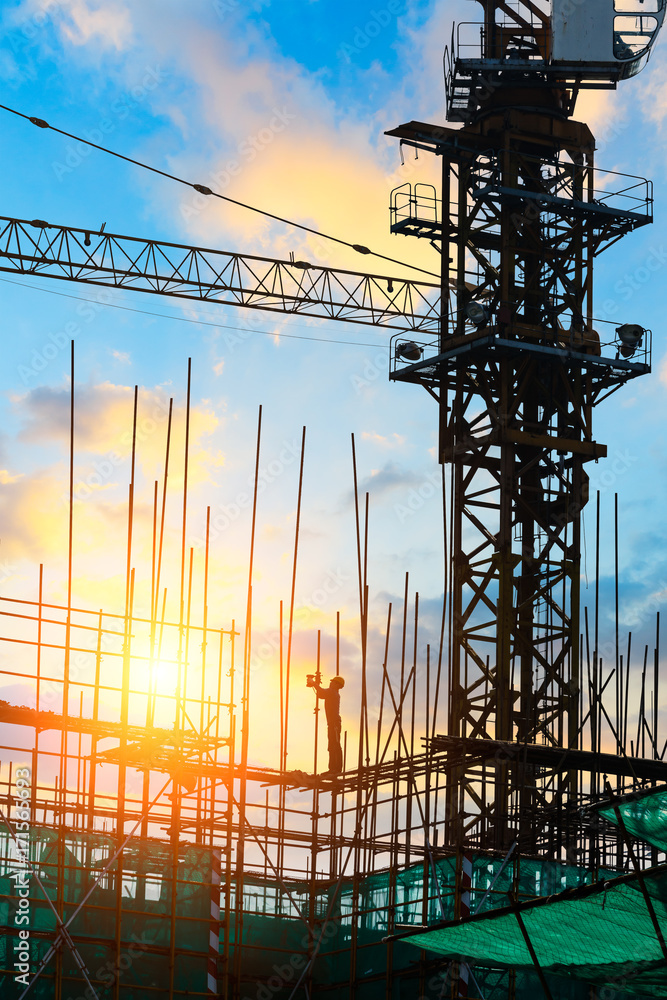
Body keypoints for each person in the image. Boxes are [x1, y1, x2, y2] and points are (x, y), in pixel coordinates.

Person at [311, 675, 345, 775]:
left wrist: (314, 683)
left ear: (337, 685)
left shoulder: (333, 693)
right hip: (332, 723)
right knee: (331, 745)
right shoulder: (332, 693)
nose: (331, 683)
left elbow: (322, 692)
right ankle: (332, 769)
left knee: (335, 745)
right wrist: (315, 684)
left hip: (334, 723)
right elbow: (320, 695)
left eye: (333, 682)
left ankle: (336, 769)